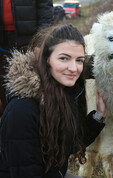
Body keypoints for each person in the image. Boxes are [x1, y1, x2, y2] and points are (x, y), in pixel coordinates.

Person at [0, 24, 106, 178]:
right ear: (45, 59)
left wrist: (99, 116)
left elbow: (67, 144)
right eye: (64, 58)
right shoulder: (22, 112)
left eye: (79, 60)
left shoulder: (62, 94)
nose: (74, 68)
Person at [0, 0, 54, 118]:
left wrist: (41, 41)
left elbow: (45, 8)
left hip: (29, 41)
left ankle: (35, 124)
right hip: (2, 41)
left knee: (33, 88)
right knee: (3, 88)